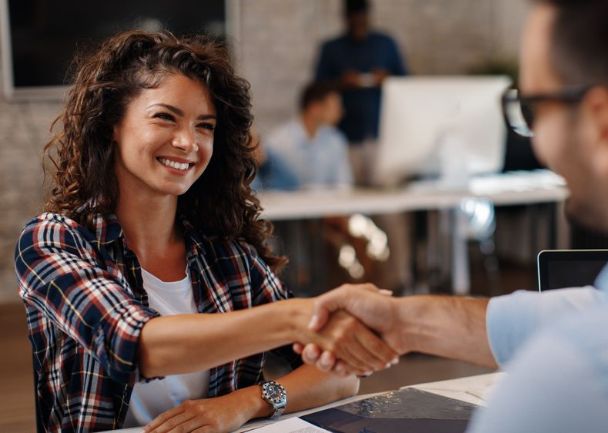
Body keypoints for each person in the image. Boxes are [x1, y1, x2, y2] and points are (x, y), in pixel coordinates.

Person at [297, 0, 608, 432]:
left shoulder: (576, 383)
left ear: (604, 127)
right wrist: (402, 322)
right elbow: (586, 309)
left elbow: (594, 332)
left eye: (533, 107)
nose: (535, 136)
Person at [14, 31, 397, 433]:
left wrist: (246, 402)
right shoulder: (52, 241)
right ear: (113, 123)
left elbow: (341, 375)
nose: (188, 142)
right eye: (165, 117)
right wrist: (297, 318)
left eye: (205, 126)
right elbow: (137, 345)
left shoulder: (230, 259)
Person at [314, 0, 407, 182]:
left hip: (382, 133)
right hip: (345, 136)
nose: (358, 24)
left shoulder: (386, 44)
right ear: (346, 19)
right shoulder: (332, 48)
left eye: (362, 19)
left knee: (387, 197)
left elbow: (406, 84)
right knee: (349, 196)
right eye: (354, 19)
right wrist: (342, 82)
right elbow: (317, 89)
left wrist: (388, 79)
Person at [262, 81, 352, 190]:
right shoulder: (278, 142)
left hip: (327, 205)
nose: (340, 112)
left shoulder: (336, 140)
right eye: (335, 107)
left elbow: (343, 185)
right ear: (315, 108)